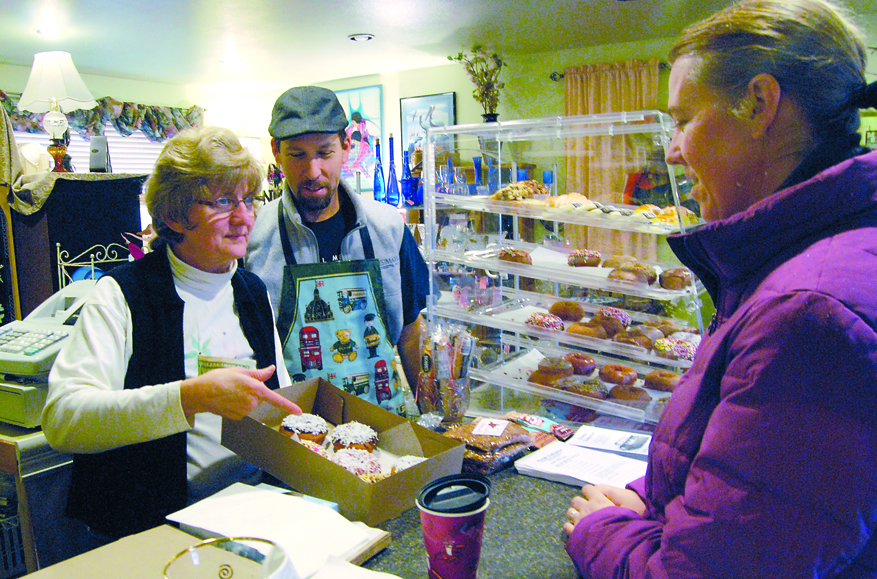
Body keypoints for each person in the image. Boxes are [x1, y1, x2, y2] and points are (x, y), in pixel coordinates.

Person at [563, 1, 877, 577]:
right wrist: (659, 503)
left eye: (683, 118)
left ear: (760, 103)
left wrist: (598, 530)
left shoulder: (809, 314)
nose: (674, 149)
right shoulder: (822, 255)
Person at [41, 125, 302, 541]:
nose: (244, 217)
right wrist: (189, 397)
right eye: (221, 202)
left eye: (247, 199)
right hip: (153, 530)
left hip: (250, 516)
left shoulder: (252, 291)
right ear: (172, 215)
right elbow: (64, 420)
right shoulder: (122, 294)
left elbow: (280, 400)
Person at [246, 86, 429, 415]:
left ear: (346, 145)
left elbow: (411, 331)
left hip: (389, 418)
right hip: (298, 431)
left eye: (324, 152)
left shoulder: (389, 227)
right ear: (276, 151)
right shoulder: (253, 239)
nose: (313, 171)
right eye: (297, 155)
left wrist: (431, 415)